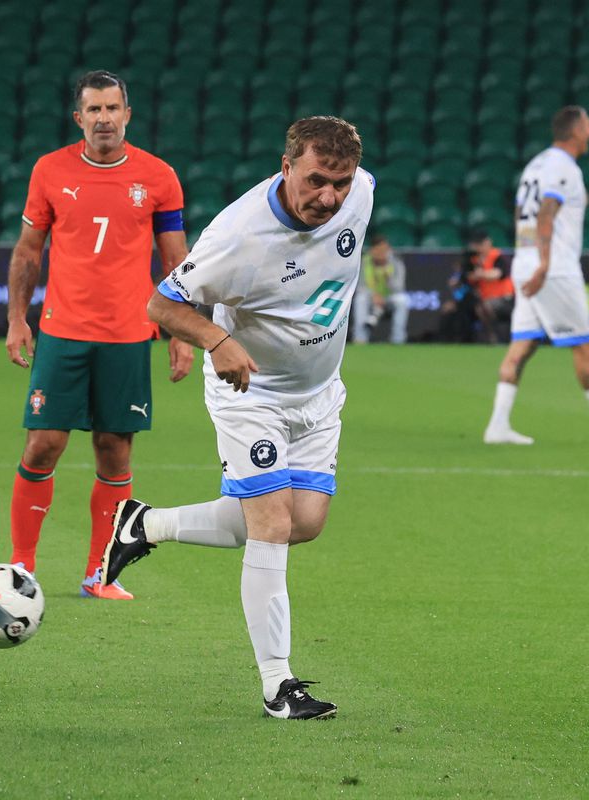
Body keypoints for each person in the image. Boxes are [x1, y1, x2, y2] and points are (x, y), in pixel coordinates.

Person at [101, 116, 373, 719]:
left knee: (305, 521)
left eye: (342, 183)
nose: (329, 197)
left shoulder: (363, 192)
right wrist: (217, 341)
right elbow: (162, 303)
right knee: (272, 524)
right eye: (316, 180)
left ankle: (145, 525)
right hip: (251, 393)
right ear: (286, 168)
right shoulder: (237, 236)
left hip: (320, 393)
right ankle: (279, 686)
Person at [5, 69, 193, 600]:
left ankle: (99, 573)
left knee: (115, 450)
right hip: (62, 333)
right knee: (44, 444)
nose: (104, 118)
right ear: (78, 117)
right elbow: (27, 251)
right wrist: (17, 318)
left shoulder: (158, 177)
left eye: (113, 108)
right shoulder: (49, 170)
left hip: (129, 335)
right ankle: (21, 566)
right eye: (94, 109)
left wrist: (181, 332)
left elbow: (175, 259)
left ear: (127, 115)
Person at [483, 106, 589, 445]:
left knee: (523, 345)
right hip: (554, 269)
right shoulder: (564, 167)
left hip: (525, 261)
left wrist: (531, 258)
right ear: (575, 130)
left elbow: (523, 213)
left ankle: (498, 426)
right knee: (586, 345)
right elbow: (546, 214)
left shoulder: (537, 164)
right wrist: (545, 265)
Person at [352, 232, 408, 343]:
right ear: (373, 250)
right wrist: (374, 295)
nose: (383, 253)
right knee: (360, 299)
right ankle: (360, 338)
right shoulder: (364, 262)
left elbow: (399, 287)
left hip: (389, 298)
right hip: (371, 298)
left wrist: (388, 278)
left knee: (402, 300)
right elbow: (359, 286)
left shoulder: (396, 262)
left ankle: (398, 339)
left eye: (385, 250)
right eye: (379, 250)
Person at [463, 228, 514, 343]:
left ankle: (497, 338)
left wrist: (480, 274)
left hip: (505, 298)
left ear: (488, 242)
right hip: (486, 299)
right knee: (480, 308)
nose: (479, 247)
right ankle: (491, 338)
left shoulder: (497, 256)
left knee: (486, 307)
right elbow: (468, 277)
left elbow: (498, 273)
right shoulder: (473, 260)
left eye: (480, 244)